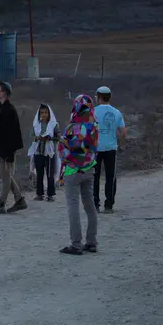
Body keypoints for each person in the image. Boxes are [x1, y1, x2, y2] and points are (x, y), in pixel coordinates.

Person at [57, 95, 99, 255]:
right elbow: (93, 148)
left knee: (73, 206)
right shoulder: (94, 127)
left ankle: (76, 244)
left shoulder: (72, 127)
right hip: (89, 169)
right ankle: (91, 242)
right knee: (90, 206)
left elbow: (63, 149)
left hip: (72, 171)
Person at [0, 81, 27, 214]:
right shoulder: (3, 108)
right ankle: (19, 199)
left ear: (4, 93)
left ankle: (1, 203)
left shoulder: (9, 110)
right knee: (6, 175)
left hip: (7, 149)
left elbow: (12, 133)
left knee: (6, 176)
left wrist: (9, 152)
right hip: (2, 149)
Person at [93, 86, 126, 213]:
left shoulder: (93, 112)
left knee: (94, 177)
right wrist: (115, 138)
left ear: (99, 96)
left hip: (95, 149)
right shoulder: (117, 113)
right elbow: (123, 132)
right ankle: (109, 205)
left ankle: (95, 204)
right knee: (110, 177)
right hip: (111, 148)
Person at [27, 104, 61, 202]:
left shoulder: (54, 124)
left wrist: (50, 138)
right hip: (38, 152)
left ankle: (50, 195)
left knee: (50, 174)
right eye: (42, 112)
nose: (44, 114)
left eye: (46, 112)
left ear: (49, 114)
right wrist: (37, 138)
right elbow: (32, 135)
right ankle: (39, 194)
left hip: (49, 153)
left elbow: (58, 137)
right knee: (39, 174)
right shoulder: (36, 125)